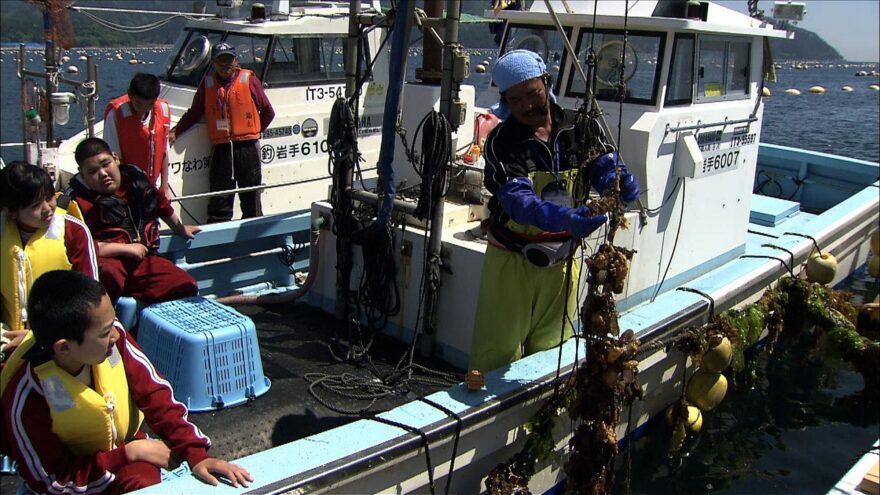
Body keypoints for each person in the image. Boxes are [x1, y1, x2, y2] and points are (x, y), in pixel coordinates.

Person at [0, 270, 252, 493]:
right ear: (64, 348)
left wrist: (195, 454)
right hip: (70, 482)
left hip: (122, 457)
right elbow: (50, 482)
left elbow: (156, 395)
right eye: (104, 332)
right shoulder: (27, 397)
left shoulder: (114, 339)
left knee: (142, 480)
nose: (115, 335)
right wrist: (128, 454)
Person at [468, 50, 641, 373]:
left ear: (546, 83)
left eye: (532, 93)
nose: (526, 105)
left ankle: (541, 414)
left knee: (551, 349)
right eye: (515, 99)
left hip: (564, 261)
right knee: (496, 351)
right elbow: (517, 199)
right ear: (505, 101)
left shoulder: (581, 126)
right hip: (512, 262)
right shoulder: (503, 142)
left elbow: (603, 163)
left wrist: (615, 181)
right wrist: (561, 217)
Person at [68, 137, 200, 305]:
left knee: (186, 286)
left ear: (115, 158)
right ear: (82, 174)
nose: (103, 174)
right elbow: (80, 246)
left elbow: (160, 204)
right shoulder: (77, 203)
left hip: (144, 261)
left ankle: (148, 327)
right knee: (107, 276)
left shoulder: (136, 181)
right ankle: (108, 325)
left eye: (105, 164)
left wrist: (179, 228)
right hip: (110, 263)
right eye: (92, 171)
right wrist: (126, 249)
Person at [1, 161, 99, 358]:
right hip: (8, 338)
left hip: (60, 340)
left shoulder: (73, 231)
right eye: (36, 205)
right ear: (11, 212)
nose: (47, 208)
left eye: (49, 197)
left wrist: (34, 337)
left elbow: (91, 298)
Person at [170, 42, 275, 223]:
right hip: (222, 149)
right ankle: (219, 242)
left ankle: (254, 240)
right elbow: (195, 112)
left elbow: (268, 112)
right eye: (220, 60)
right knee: (219, 201)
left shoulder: (249, 80)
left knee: (251, 200)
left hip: (247, 149)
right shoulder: (207, 84)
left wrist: (255, 132)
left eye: (228, 59)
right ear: (213, 63)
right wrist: (175, 131)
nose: (224, 64)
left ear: (236, 61)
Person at [103, 73, 172, 196]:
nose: (143, 109)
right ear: (130, 95)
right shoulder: (116, 114)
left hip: (151, 186)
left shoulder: (163, 110)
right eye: (139, 103)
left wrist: (164, 186)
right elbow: (113, 158)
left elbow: (164, 152)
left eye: (150, 104)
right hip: (128, 187)